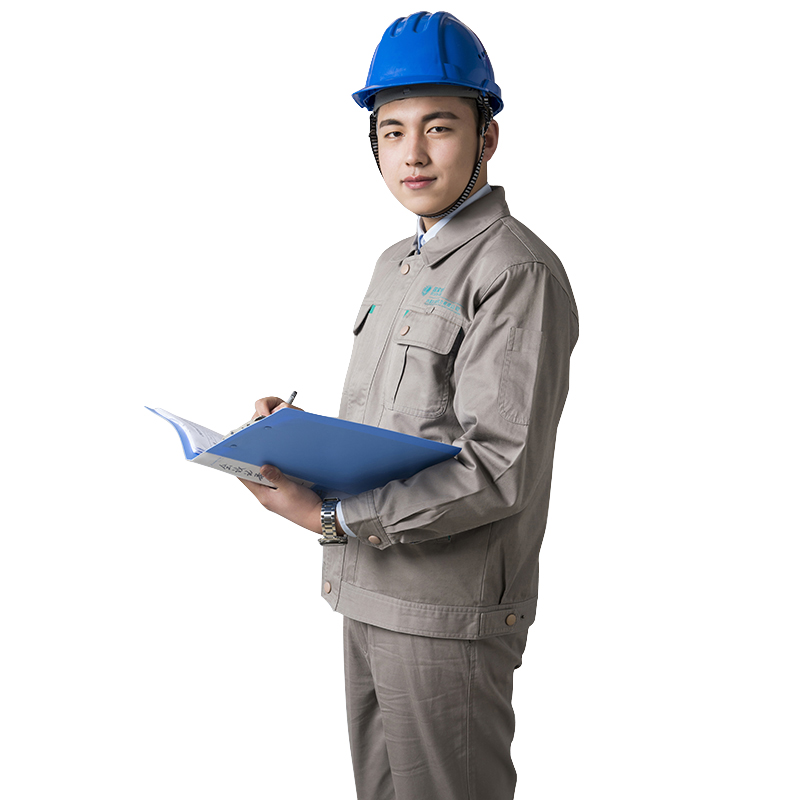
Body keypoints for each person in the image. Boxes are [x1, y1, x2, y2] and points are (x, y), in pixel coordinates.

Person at [241, 11, 579, 800]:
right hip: (368, 591)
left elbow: (498, 469)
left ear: (487, 139)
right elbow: (403, 426)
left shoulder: (514, 272)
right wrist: (292, 439)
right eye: (392, 132)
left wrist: (330, 518)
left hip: (444, 612)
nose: (413, 154)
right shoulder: (398, 260)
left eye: (439, 127)